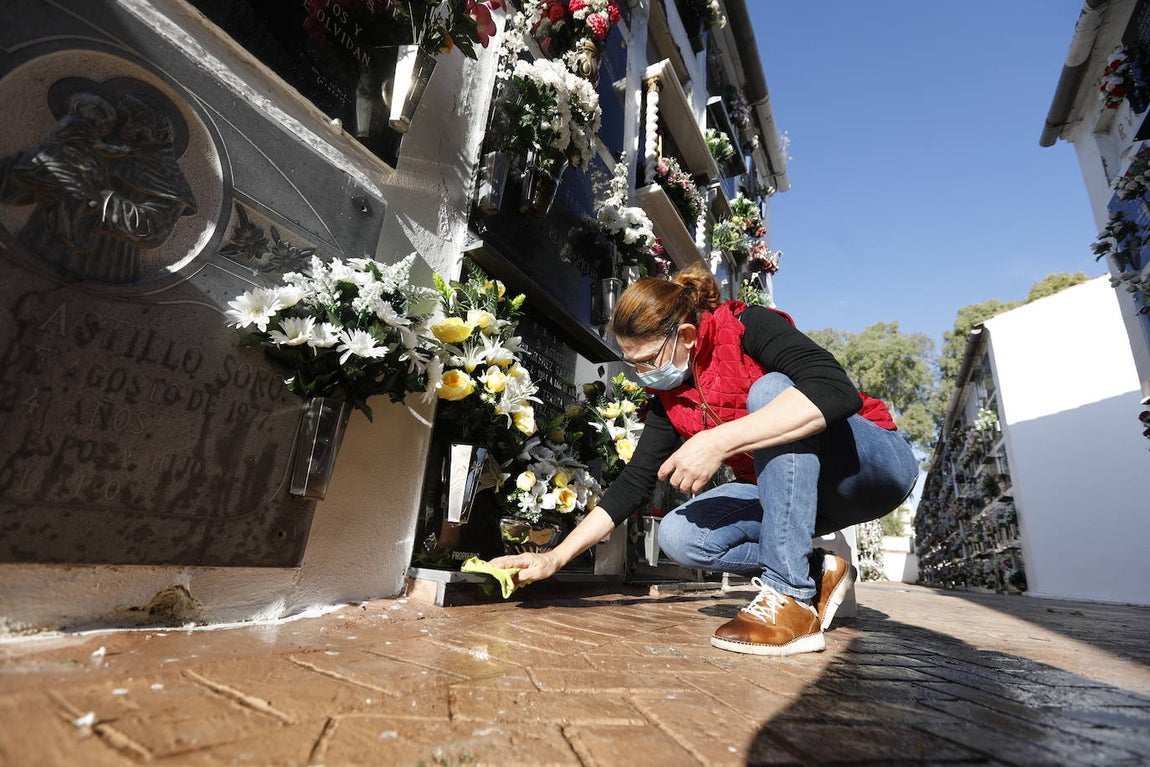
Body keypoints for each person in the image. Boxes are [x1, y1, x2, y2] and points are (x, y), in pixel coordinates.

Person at [489, 263, 919, 656]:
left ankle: (790, 599)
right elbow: (633, 484)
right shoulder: (668, 398)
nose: (643, 376)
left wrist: (717, 441)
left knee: (771, 392)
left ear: (688, 337)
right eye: (632, 365)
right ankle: (814, 569)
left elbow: (835, 391)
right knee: (681, 536)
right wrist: (554, 558)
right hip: (796, 495)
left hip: (871, 468)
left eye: (648, 361)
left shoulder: (749, 326)